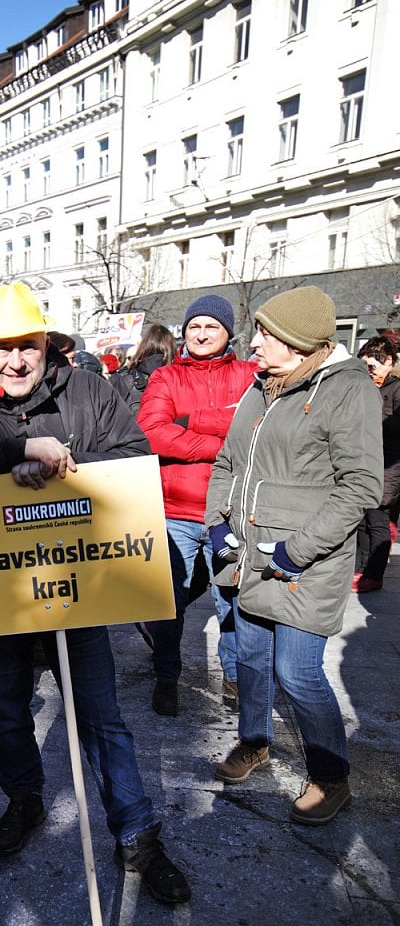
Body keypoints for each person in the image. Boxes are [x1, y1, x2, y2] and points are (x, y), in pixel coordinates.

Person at [0, 281, 190, 905]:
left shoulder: (88, 390)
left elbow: (134, 456)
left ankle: (137, 834)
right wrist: (9, 454)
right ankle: (24, 796)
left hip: (80, 585)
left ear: (46, 342)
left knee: (101, 715)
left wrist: (62, 463)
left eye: (27, 346)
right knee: (7, 706)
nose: (15, 360)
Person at [206, 286, 383, 824]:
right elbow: (226, 463)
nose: (253, 342)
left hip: (304, 562)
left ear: (298, 341)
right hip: (250, 556)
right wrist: (217, 524)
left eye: (264, 332)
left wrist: (296, 551)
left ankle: (331, 777)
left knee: (298, 672)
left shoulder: (348, 391)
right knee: (253, 661)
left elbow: (360, 486)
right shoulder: (262, 388)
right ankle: (255, 741)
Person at [137, 295, 257, 716]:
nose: (201, 334)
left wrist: (193, 421)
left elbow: (260, 427)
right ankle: (166, 677)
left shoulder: (251, 374)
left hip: (232, 510)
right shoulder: (166, 377)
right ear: (183, 332)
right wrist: (224, 438)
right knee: (169, 602)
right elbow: (152, 433)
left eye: (211, 327)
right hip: (177, 511)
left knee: (232, 601)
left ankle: (236, 679)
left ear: (228, 333)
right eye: (194, 327)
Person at [352, 334, 400, 593]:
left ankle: (374, 574)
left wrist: (372, 418)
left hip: (388, 466)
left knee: (378, 522)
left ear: (389, 362)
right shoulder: (364, 386)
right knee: (362, 521)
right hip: (364, 463)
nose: (371, 370)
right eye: (367, 365)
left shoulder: (395, 388)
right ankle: (361, 570)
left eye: (376, 364)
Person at [110, 324, 177, 418]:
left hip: (132, 430)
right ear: (172, 349)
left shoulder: (123, 379)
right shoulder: (180, 380)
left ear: (143, 346)